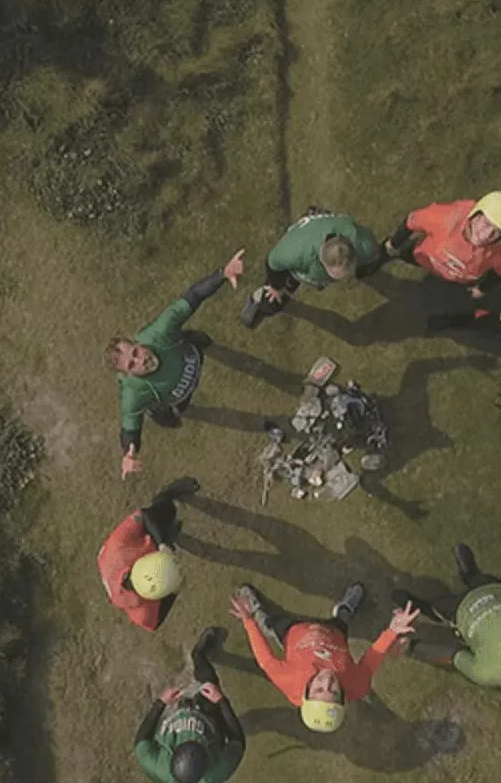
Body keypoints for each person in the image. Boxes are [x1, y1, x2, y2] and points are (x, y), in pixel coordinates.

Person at [109, 251, 245, 478]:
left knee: (201, 341)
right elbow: (130, 429)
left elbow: (193, 297)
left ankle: (200, 345)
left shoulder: (160, 331)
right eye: (133, 364)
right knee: (174, 415)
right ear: (127, 374)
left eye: (136, 351)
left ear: (137, 341)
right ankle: (165, 411)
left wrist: (223, 273)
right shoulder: (133, 394)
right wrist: (129, 452)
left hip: (190, 352)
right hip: (177, 396)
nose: (141, 359)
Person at [229, 581, 418, 732]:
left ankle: (254, 608)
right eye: (334, 691)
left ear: (307, 691)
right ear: (343, 695)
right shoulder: (358, 685)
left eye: (319, 690)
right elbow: (371, 658)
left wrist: (248, 621)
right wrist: (392, 631)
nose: (327, 682)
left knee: (269, 623)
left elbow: (265, 660)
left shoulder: (289, 679)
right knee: (342, 620)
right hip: (334, 634)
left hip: (292, 633)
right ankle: (345, 608)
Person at [393, 543, 501, 690]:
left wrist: (411, 646)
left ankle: (418, 604)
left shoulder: (487, 672)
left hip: (469, 606)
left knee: (435, 607)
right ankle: (468, 573)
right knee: (471, 582)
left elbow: (454, 654)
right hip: (490, 593)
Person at [133, 627, 246, 783]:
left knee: (202, 688)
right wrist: (221, 701)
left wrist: (160, 703)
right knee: (209, 682)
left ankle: (198, 656)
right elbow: (238, 740)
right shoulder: (216, 772)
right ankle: (199, 656)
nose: (191, 736)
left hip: (177, 715)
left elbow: (140, 741)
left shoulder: (157, 764)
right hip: (211, 722)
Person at [240, 207, 380, 328]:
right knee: (273, 298)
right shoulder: (293, 253)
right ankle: (260, 301)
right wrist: (275, 287)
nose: (344, 280)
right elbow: (272, 263)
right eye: (337, 275)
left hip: (320, 240)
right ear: (323, 262)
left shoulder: (365, 245)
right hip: (300, 249)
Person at [97, 477, 201, 630]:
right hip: (130, 566)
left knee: (162, 515)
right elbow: (155, 622)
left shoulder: (119, 546)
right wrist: (173, 591)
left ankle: (166, 496)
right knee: (164, 535)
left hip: (115, 556)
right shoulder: (142, 612)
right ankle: (168, 535)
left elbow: (144, 515)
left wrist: (162, 544)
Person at [381, 191, 501, 299]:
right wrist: (393, 244)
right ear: (475, 214)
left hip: (454, 280)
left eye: (496, 232)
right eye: (486, 224)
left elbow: (498, 274)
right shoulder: (445, 218)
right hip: (420, 256)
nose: (486, 235)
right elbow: (411, 222)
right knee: (405, 254)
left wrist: (481, 290)